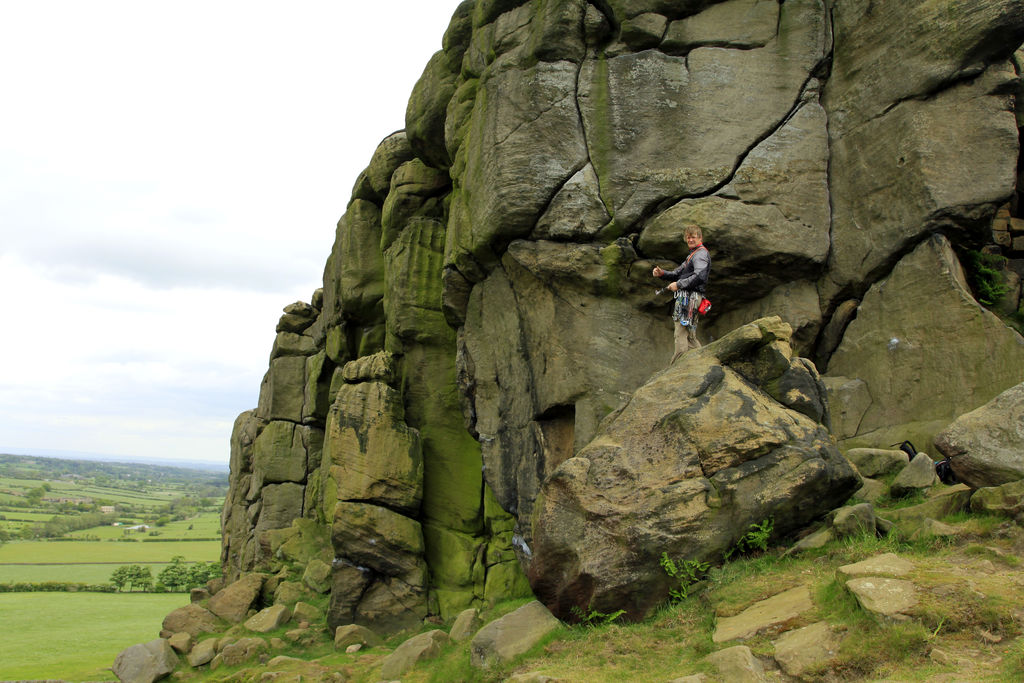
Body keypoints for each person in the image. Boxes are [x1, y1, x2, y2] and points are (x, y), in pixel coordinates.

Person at [652, 224, 710, 363]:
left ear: (700, 238)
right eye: (688, 237)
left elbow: (700, 275)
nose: (690, 240)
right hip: (693, 298)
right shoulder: (693, 254)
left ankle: (677, 367)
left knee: (680, 333)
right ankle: (704, 362)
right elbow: (678, 272)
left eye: (693, 237)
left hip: (689, 298)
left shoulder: (700, 254)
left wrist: (679, 285)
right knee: (690, 336)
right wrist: (663, 274)